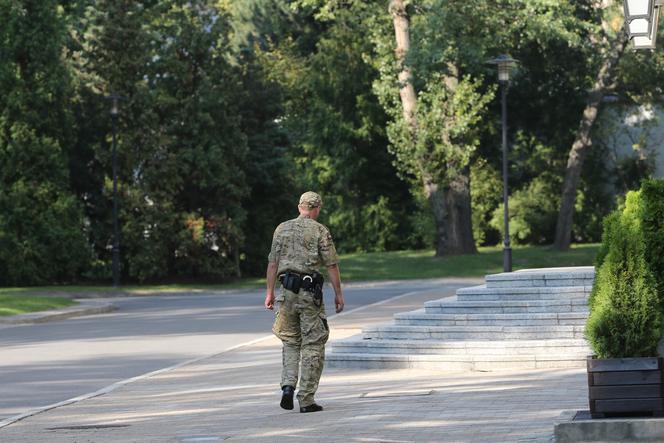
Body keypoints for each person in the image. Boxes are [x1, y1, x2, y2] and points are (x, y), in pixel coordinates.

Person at [264, 191, 345, 413]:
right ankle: (306, 399)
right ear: (316, 208)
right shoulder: (320, 230)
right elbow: (331, 265)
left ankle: (288, 386)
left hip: (285, 294)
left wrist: (269, 293)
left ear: (300, 206)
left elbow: (272, 264)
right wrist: (338, 294)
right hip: (309, 294)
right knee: (313, 342)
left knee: (290, 342)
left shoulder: (281, 228)